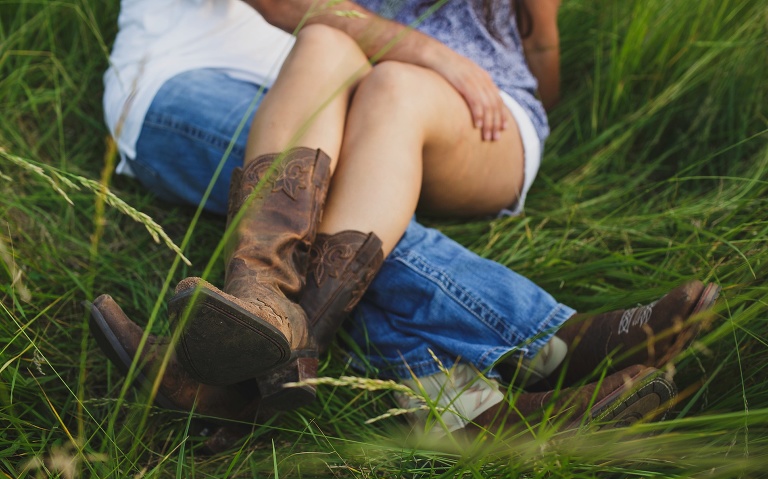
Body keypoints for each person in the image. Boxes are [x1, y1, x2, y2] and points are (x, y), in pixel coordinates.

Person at [88, 0, 719, 447]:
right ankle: (540, 351)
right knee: (353, 190)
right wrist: (426, 53)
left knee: (348, 162)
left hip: (342, 92)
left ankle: (259, 360)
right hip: (187, 86)